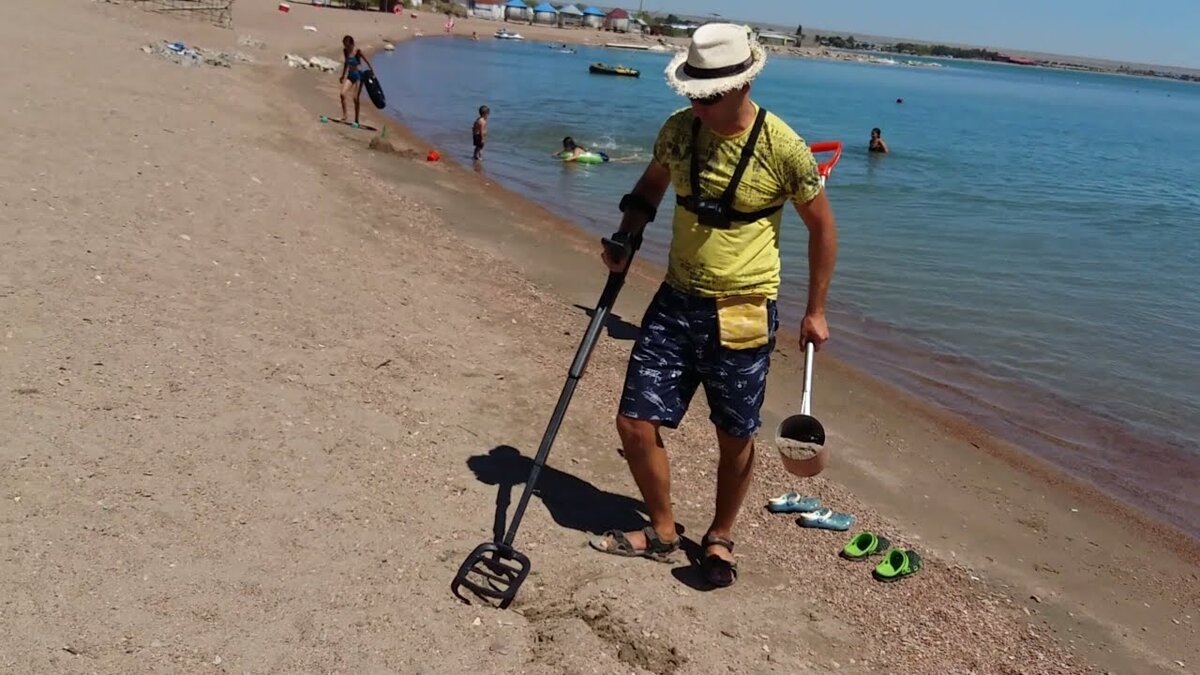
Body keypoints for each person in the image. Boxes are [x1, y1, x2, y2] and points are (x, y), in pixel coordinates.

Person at [588, 23, 838, 588]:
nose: (697, 106)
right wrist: (626, 234)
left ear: (741, 86)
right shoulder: (680, 130)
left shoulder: (784, 148)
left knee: (736, 434)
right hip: (676, 300)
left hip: (745, 310)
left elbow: (823, 229)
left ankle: (720, 535)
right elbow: (651, 186)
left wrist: (816, 309)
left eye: (708, 96)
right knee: (633, 422)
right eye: (693, 94)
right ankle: (662, 530)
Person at [338, 35, 375, 126]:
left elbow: (367, 61)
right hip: (350, 75)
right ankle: (345, 116)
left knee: (355, 98)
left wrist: (372, 72)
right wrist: (343, 76)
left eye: (346, 44)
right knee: (342, 94)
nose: (345, 46)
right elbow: (346, 63)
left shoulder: (357, 51)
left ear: (350, 43)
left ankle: (356, 120)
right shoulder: (345, 51)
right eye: (344, 44)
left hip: (359, 75)